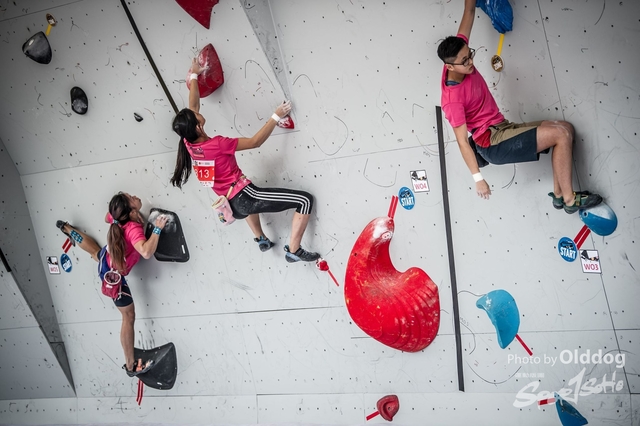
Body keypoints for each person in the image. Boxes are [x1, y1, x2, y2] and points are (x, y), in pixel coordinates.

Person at [437, 0, 602, 214]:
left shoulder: (459, 51)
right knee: (560, 135)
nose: (471, 62)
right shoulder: (452, 99)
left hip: (501, 127)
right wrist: (478, 178)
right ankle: (570, 201)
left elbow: (469, 10)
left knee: (566, 128)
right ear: (449, 66)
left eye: (470, 55)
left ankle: (559, 196)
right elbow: (461, 142)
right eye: (465, 61)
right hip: (491, 142)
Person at [170, 58, 320, 263]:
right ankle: (294, 250)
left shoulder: (188, 143)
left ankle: (260, 238)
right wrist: (276, 116)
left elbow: (193, 104)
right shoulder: (217, 144)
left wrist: (195, 74)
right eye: (195, 116)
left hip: (231, 205)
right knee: (304, 200)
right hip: (245, 198)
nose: (197, 112)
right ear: (197, 126)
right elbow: (255, 142)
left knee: (247, 196)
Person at [55, 192, 168, 376]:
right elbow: (146, 252)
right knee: (128, 316)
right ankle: (131, 366)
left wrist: (133, 212)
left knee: (95, 253)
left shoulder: (116, 218)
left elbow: (107, 216)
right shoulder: (132, 229)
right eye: (132, 198)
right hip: (114, 277)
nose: (135, 196)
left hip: (106, 259)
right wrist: (157, 229)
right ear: (130, 210)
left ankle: (68, 229)